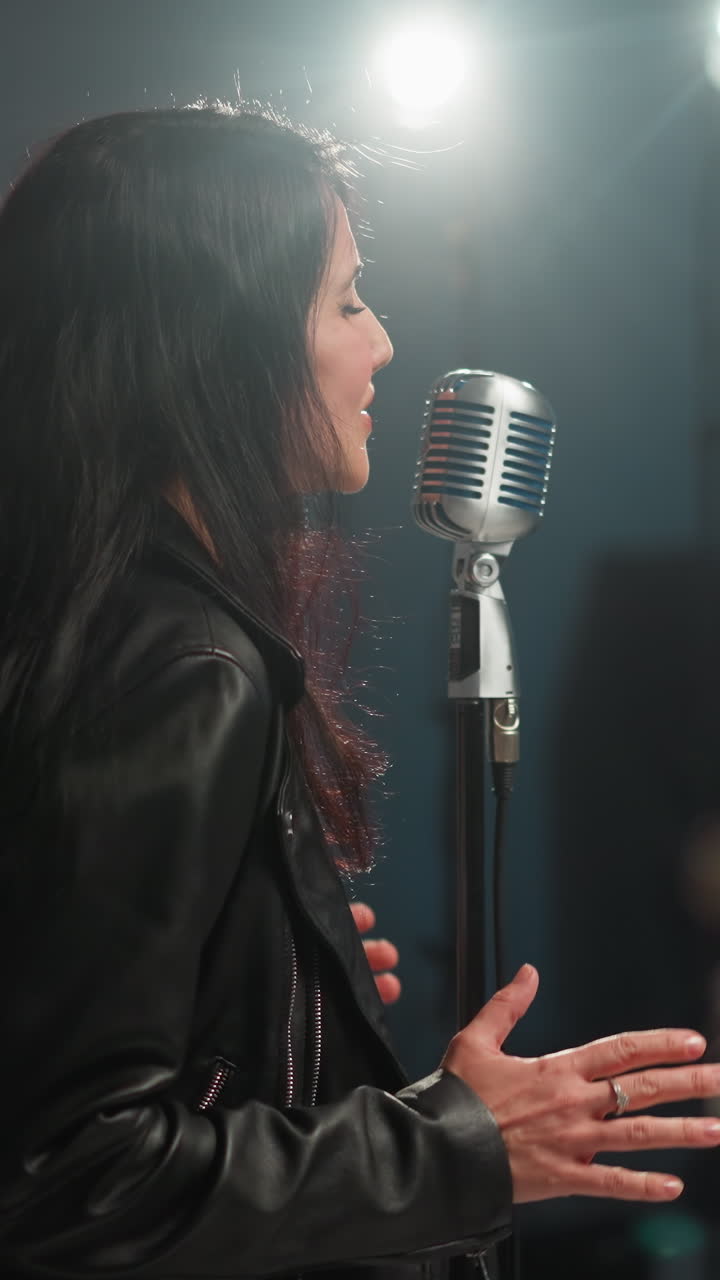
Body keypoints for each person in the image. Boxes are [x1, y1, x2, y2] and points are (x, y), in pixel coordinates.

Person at [0, 102, 718, 1280]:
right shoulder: (185, 671)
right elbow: (74, 1174)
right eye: (342, 299)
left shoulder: (95, 623)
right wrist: (461, 1146)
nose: (383, 342)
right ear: (215, 341)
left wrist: (273, 1005)